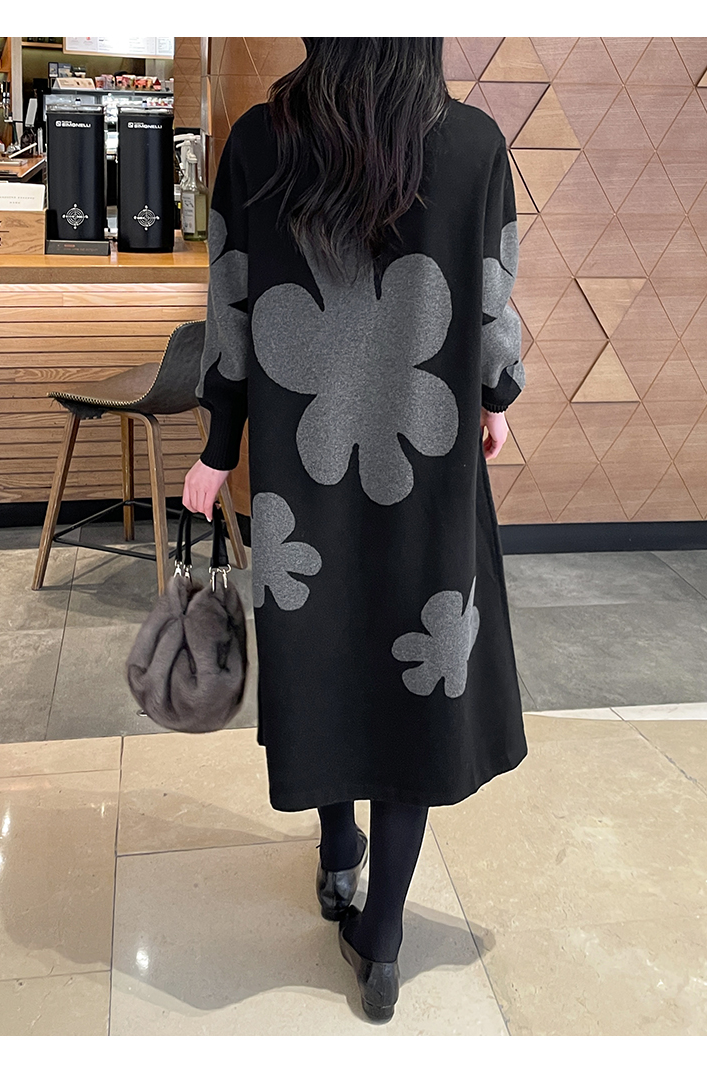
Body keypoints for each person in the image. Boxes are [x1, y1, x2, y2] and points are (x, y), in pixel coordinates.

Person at [182, 37, 527, 1023]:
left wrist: (217, 447)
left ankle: (339, 852)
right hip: (429, 452)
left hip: (304, 463)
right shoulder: (474, 145)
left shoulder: (261, 140)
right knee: (416, 667)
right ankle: (381, 935)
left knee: (322, 646)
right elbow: (492, 300)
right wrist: (497, 396)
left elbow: (232, 307)